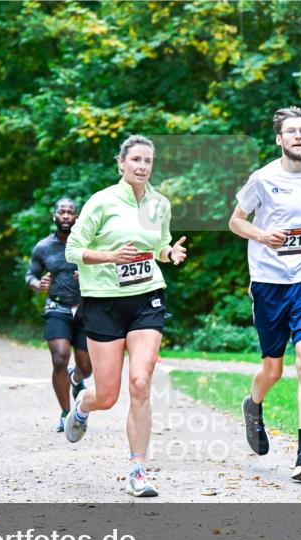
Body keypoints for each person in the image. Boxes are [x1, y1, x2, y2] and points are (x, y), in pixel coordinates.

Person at [64, 135, 187, 498]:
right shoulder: (101, 202)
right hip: (103, 302)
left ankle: (138, 469)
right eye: (135, 159)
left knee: (140, 383)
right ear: (121, 163)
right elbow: (73, 250)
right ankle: (83, 406)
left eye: (148, 161)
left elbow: (159, 246)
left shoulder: (159, 204)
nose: (142, 166)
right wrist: (110, 257)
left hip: (146, 297)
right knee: (107, 396)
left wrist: (169, 254)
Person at [227, 106, 301, 483]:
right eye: (291, 131)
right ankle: (253, 405)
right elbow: (235, 222)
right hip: (269, 281)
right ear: (279, 139)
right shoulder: (262, 179)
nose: (298, 136)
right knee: (272, 368)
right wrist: (262, 235)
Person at [26, 198, 93, 432]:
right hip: (57, 309)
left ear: (77, 217)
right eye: (61, 212)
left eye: (70, 212)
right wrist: (38, 284)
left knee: (87, 367)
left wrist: (88, 275)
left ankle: (76, 378)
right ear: (54, 216)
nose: (66, 216)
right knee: (60, 358)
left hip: (85, 310)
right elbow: (30, 276)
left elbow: (106, 268)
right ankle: (66, 413)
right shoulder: (43, 247)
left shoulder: (87, 243)